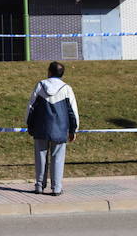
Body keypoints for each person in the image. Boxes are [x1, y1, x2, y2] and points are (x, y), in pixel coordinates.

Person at [26, 61, 80, 196]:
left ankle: (39, 186)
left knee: (40, 157)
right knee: (58, 158)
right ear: (62, 74)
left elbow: (30, 107)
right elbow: (73, 111)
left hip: (41, 127)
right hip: (60, 128)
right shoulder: (66, 88)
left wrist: (29, 124)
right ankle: (56, 188)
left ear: (49, 72)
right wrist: (74, 130)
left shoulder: (40, 85)